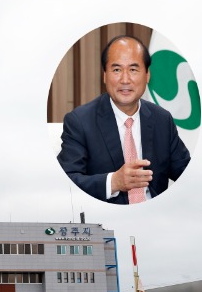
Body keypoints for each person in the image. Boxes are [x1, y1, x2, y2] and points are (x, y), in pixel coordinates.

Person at [57, 35, 191, 204]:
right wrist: (113, 182)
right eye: (117, 70)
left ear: (147, 75)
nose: (125, 80)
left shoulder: (162, 120)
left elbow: (188, 174)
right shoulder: (80, 122)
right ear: (105, 75)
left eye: (133, 70)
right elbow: (65, 182)